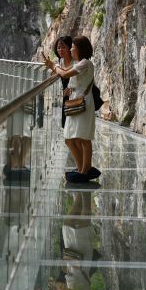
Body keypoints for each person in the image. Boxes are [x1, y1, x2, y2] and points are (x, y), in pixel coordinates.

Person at [44, 36, 100, 183]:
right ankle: (82, 168)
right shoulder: (80, 63)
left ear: (80, 49)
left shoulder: (85, 63)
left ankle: (84, 170)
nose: (71, 49)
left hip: (83, 103)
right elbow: (65, 71)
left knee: (84, 138)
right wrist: (68, 85)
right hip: (75, 101)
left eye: (73, 47)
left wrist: (52, 66)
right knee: (70, 138)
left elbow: (64, 73)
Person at [53, 36, 75, 128]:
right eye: (58, 47)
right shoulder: (60, 61)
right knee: (66, 125)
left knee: (73, 126)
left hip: (75, 95)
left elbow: (64, 73)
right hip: (65, 97)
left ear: (70, 47)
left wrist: (54, 67)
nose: (60, 50)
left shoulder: (75, 62)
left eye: (63, 47)